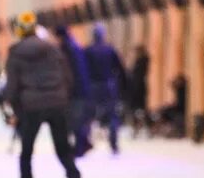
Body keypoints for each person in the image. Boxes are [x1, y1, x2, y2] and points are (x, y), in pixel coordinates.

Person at [4, 12, 84, 178]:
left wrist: (11, 107)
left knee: (26, 154)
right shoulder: (52, 49)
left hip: (31, 106)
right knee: (63, 149)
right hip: (57, 103)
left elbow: (12, 84)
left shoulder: (16, 52)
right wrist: (62, 96)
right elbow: (67, 76)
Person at [85, 23, 127, 155]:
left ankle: (85, 142)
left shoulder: (88, 51)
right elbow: (120, 69)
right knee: (112, 116)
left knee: (88, 116)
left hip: (92, 86)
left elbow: (83, 70)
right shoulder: (110, 50)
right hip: (108, 86)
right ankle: (113, 144)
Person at [55, 26, 93, 158]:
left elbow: (68, 72)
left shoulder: (66, 49)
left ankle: (79, 147)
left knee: (73, 120)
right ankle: (81, 145)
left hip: (73, 91)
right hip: (81, 89)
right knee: (78, 119)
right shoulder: (75, 47)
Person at [128, 45, 150, 136]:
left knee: (138, 109)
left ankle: (141, 127)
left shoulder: (142, 61)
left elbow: (136, 75)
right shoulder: (141, 61)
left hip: (138, 88)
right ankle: (138, 127)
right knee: (139, 109)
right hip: (138, 87)